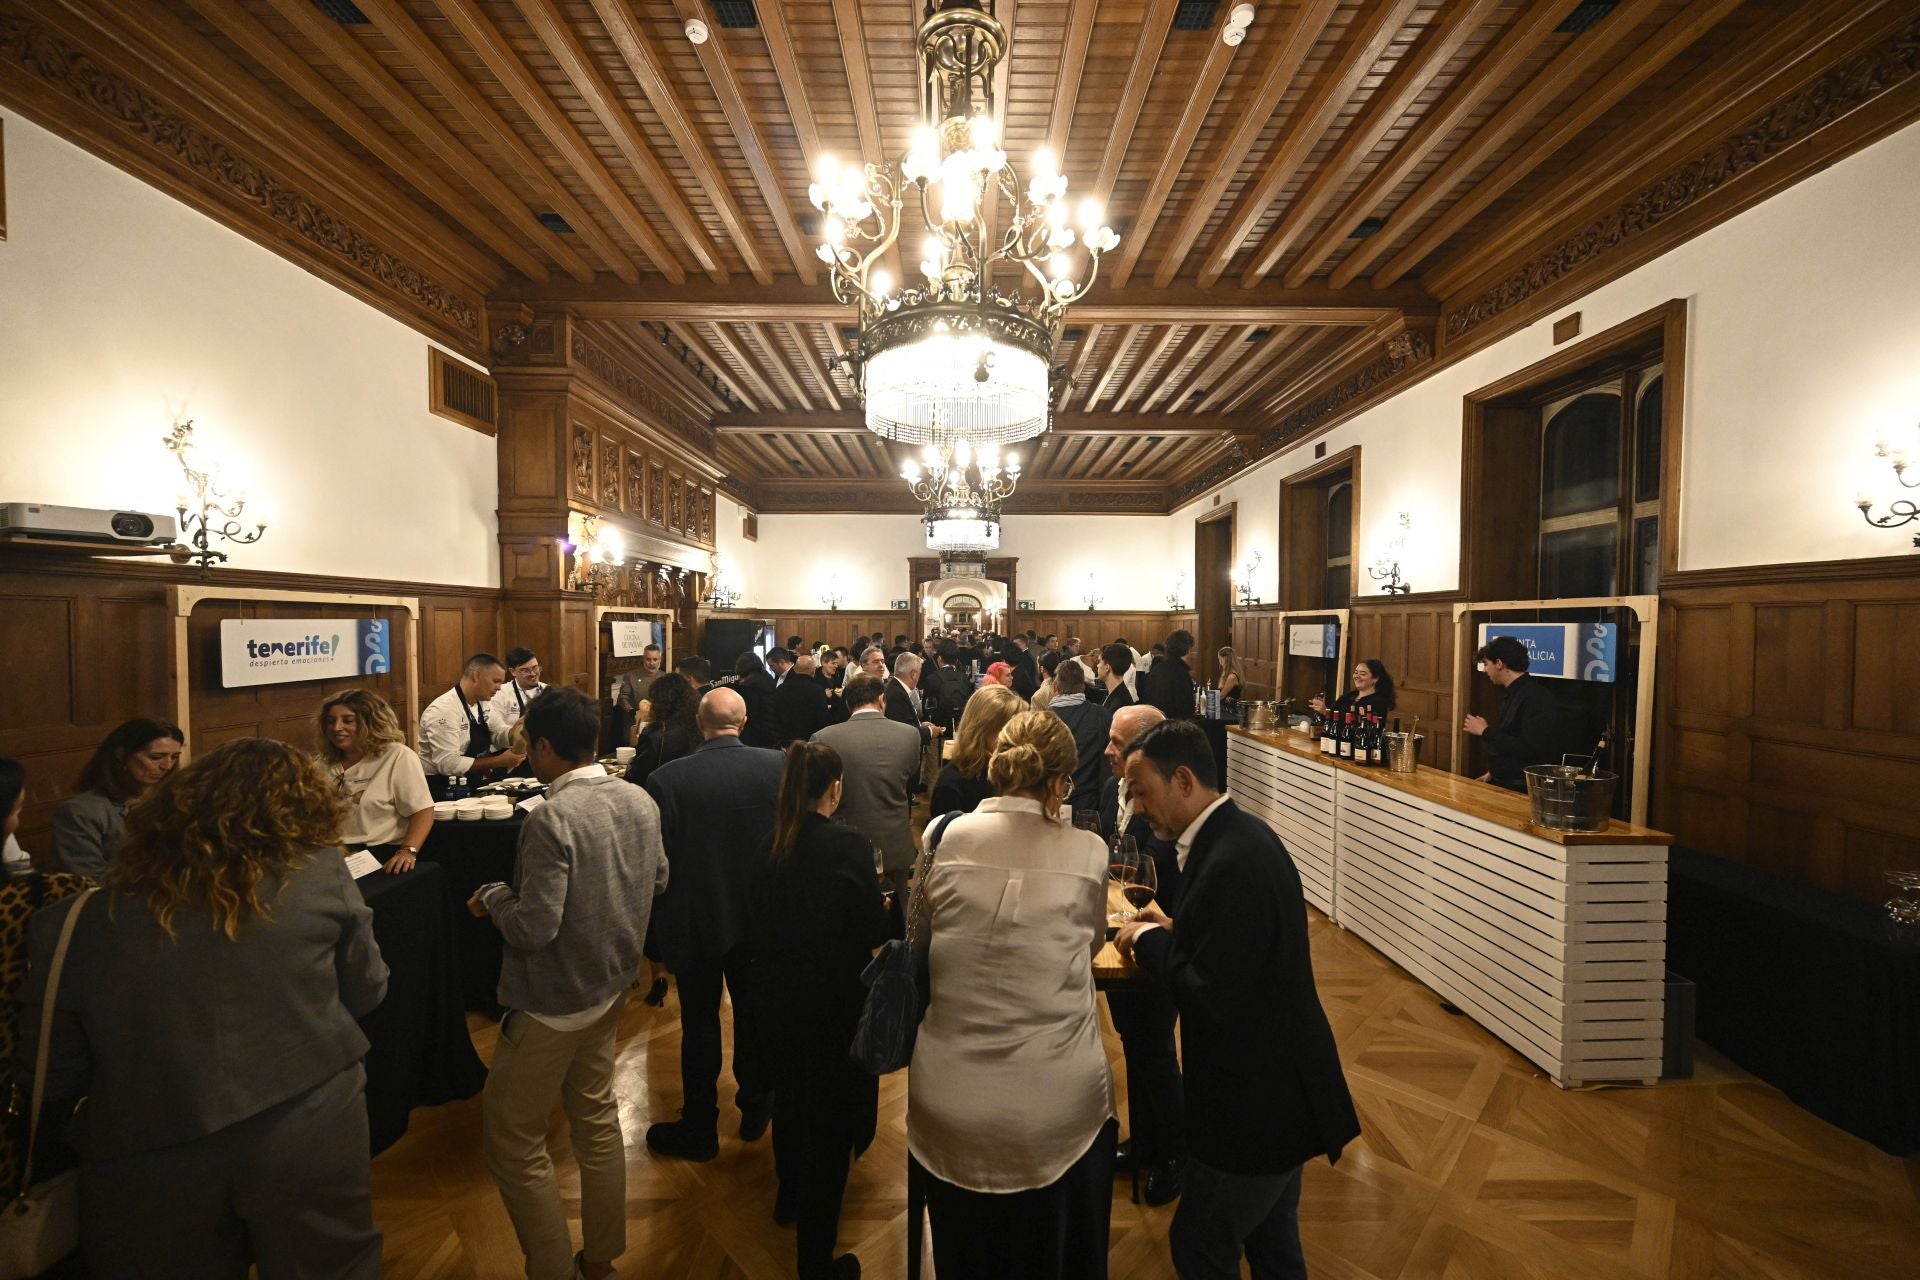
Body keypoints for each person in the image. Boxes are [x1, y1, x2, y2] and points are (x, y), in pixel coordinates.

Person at [22, 737, 389, 1276]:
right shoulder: (319, 877)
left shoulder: (69, 924)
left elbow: (55, 1068)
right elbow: (368, 989)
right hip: (307, 1117)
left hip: (143, 1141)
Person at [1115, 720, 1359, 1280]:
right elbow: (1237, 954)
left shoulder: (1231, 859)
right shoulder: (1240, 834)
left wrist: (1151, 942)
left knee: (1199, 1245)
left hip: (1256, 1106)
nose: (1135, 805)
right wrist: (1176, 929)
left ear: (1182, 781)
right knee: (1273, 1247)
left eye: (1141, 790)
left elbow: (1210, 994)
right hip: (1279, 1093)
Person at [908, 711, 1115, 1278]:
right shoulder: (1090, 851)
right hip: (1057, 1109)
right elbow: (1094, 944)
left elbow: (917, 937)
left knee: (965, 1258)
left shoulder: (941, 835)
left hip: (947, 1097)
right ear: (1060, 783)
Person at [469, 687, 667, 1280]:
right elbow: (658, 878)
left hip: (552, 1002)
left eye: (530, 745)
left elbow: (533, 928)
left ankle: (553, 1268)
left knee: (513, 1143)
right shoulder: (638, 797)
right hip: (610, 986)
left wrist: (495, 896)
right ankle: (599, 1261)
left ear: (545, 747)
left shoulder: (552, 818)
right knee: (597, 1122)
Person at [748, 743, 891, 1280]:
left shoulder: (767, 844)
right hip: (833, 1002)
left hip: (774, 999)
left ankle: (788, 1196)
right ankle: (815, 1260)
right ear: (835, 787)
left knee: (789, 1101)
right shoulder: (848, 845)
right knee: (829, 1126)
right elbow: (871, 931)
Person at [644, 688, 785, 1161]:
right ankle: (757, 1104)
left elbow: (658, 862)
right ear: (742, 723)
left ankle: (700, 1124)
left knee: (699, 1023)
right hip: (760, 918)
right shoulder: (778, 767)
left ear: (700, 724)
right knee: (754, 1014)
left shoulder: (667, 779)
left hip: (695, 918)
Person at [1095, 705, 1187, 1206]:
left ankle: (1175, 1154)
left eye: (1118, 742)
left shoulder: (1170, 804)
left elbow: (1167, 880)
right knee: (1135, 1041)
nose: (1108, 750)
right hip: (1125, 933)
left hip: (1159, 937)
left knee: (1155, 1048)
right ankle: (1147, 1142)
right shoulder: (1116, 788)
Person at [811, 674, 922, 931]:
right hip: (896, 839)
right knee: (898, 920)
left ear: (848, 703)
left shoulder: (823, 738)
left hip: (845, 842)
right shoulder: (910, 735)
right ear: (882, 699)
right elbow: (909, 777)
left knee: (847, 920)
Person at [316, 688, 433, 875]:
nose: (337, 728)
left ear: (370, 723)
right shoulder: (322, 764)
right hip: (333, 855)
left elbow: (422, 811)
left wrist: (408, 851)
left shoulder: (397, 756)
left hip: (379, 856)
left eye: (348, 721)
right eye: (330, 721)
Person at [50, 717, 184, 877]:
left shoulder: (175, 798)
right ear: (121, 754)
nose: (167, 766)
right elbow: (88, 877)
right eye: (156, 757)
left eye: (174, 757)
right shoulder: (82, 811)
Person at [1464, 635, 1562, 791]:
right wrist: (1493, 772)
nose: (1485, 670)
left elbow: (1529, 748)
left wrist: (1485, 731)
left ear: (1499, 664)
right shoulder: (1514, 693)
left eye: (1486, 664)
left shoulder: (1536, 697)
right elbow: (1510, 735)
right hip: (1504, 781)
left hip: (1522, 788)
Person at [421, 653, 524, 796]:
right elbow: (447, 763)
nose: (499, 688)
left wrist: (516, 731)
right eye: (496, 681)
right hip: (442, 789)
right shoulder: (444, 710)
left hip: (472, 782)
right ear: (477, 676)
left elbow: (498, 733)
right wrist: (499, 761)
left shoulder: (484, 703)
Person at [930, 683, 1025, 817]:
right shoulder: (952, 785)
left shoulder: (1016, 772)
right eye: (1009, 729)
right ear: (982, 730)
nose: (1018, 737)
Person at [1045, 660, 1111, 819]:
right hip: (1088, 808)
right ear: (1083, 688)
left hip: (1049, 806)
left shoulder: (1040, 721)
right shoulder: (1100, 715)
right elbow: (1107, 766)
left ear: (1055, 687)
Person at [625, 671, 702, 789]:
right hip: (694, 788)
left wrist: (630, 764)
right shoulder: (701, 726)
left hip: (662, 792)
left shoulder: (654, 733)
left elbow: (637, 776)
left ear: (659, 703)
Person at [1309, 657, 1397, 721]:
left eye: (1362, 674)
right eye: (1356, 673)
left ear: (1375, 678)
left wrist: (1326, 712)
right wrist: (1321, 710)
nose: (1357, 676)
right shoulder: (1349, 696)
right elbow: (1330, 717)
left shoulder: (1379, 702)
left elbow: (1357, 724)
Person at [490, 646, 549, 739]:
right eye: (525, 670)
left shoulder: (549, 691)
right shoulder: (500, 693)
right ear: (512, 672)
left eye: (535, 668)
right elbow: (496, 732)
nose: (533, 674)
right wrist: (514, 730)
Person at [775, 652, 833, 745]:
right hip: (810, 742)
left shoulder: (780, 689)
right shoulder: (817, 690)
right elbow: (823, 719)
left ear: (795, 670)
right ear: (813, 671)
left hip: (787, 741)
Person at [1142, 629, 1196, 721]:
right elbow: (1185, 708)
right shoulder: (1181, 673)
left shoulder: (1156, 669)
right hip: (1174, 725)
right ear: (1187, 649)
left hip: (1154, 722)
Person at [732, 650, 782, 750]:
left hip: (755, 736)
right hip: (772, 732)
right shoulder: (768, 679)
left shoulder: (748, 687)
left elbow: (749, 715)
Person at [1097, 642, 1137, 710]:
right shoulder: (1115, 692)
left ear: (1107, 668)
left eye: (1099, 662)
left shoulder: (1119, 704)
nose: (1097, 665)